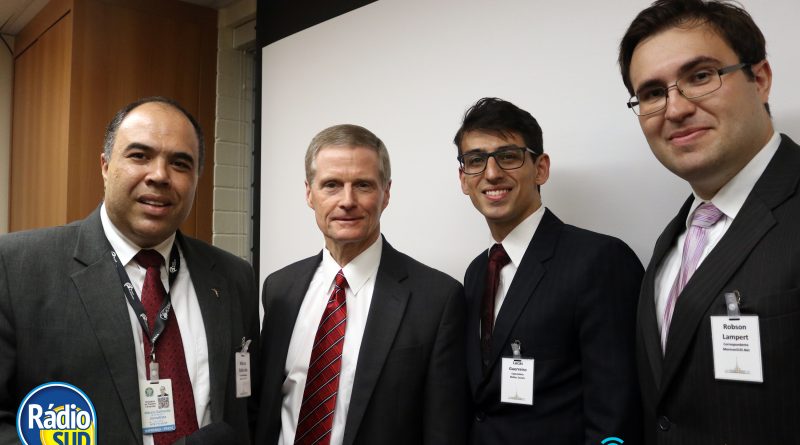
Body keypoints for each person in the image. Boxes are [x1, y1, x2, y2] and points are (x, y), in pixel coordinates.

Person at [0, 96, 259, 444]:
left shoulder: (233, 277)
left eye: (180, 164)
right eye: (140, 156)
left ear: (197, 179)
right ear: (106, 166)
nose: (159, 176)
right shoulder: (17, 266)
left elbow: (245, 408)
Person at [618, 0, 800, 443]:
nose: (675, 109)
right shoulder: (672, 242)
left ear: (760, 78)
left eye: (700, 76)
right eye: (653, 93)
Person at [255, 124, 467, 445]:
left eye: (363, 185)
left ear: (386, 194)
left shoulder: (437, 300)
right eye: (331, 185)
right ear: (309, 194)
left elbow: (444, 431)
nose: (347, 200)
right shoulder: (279, 289)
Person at [454, 97, 643, 444]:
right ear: (464, 179)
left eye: (508, 156)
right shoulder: (477, 272)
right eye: (476, 160)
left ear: (540, 168)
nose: (492, 173)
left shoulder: (600, 260)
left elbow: (618, 408)